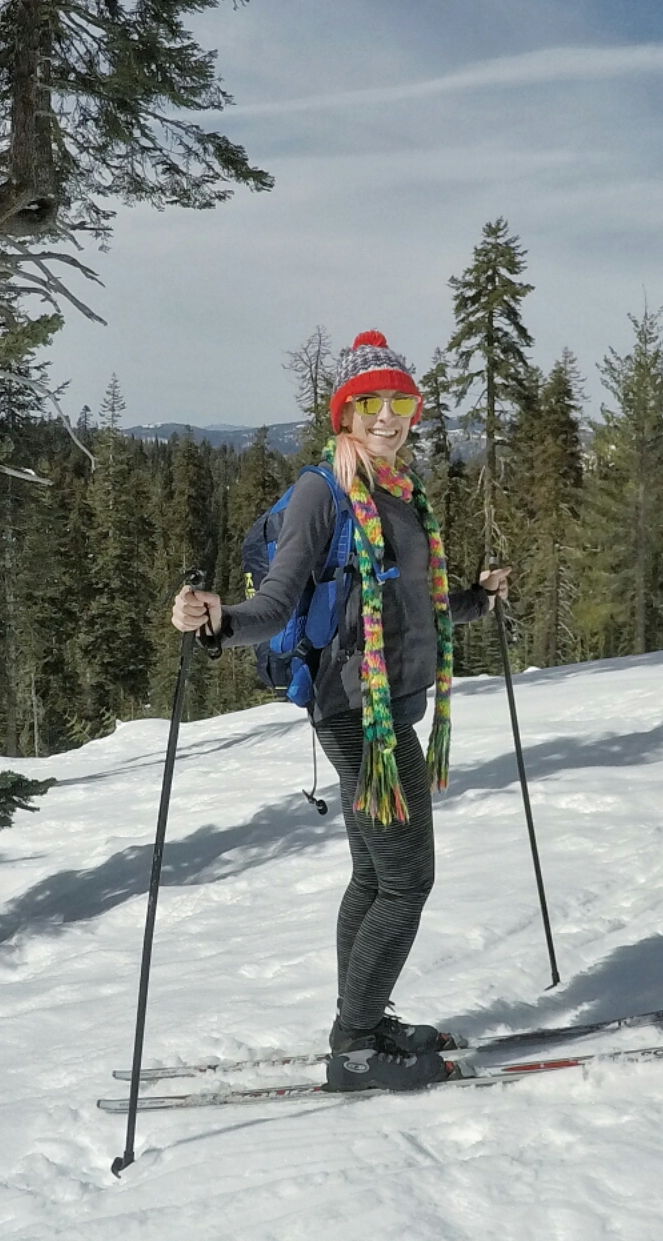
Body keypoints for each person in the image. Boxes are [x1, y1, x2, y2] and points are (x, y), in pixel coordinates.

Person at [171, 330, 508, 1091]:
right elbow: (278, 599)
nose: (387, 416)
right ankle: (356, 1047)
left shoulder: (399, 492)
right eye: (370, 403)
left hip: (394, 708)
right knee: (407, 881)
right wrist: (220, 619)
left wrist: (478, 601)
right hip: (358, 716)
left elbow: (413, 606)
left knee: (372, 875)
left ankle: (361, 1018)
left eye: (400, 402)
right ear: (345, 413)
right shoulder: (327, 492)